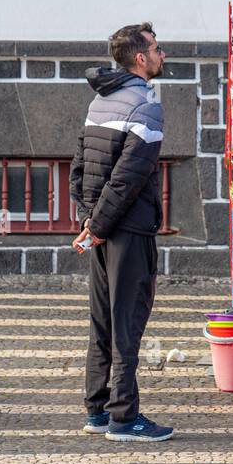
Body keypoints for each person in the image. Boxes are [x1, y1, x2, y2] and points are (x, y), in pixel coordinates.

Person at [70, 22, 174, 442]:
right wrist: (97, 226)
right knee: (127, 322)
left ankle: (97, 409)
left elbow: (79, 166)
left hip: (101, 226)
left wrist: (89, 220)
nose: (162, 54)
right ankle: (124, 418)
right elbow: (128, 179)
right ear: (140, 58)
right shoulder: (145, 107)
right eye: (156, 48)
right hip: (127, 229)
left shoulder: (101, 100)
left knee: (102, 320)